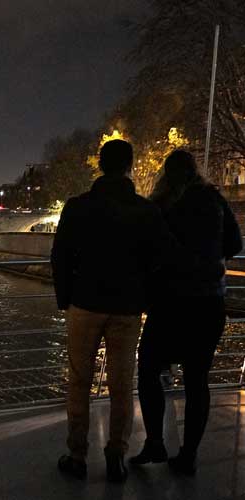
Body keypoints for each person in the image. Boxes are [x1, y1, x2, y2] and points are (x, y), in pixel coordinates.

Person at [52, 139, 178, 482]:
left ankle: (77, 454)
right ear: (130, 167)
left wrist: (65, 297)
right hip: (126, 307)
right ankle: (116, 456)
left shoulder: (77, 207)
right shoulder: (145, 211)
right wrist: (145, 297)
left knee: (78, 381)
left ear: (100, 166)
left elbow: (60, 256)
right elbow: (163, 259)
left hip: (85, 303)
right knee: (122, 384)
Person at [130, 150, 242, 475]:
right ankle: (188, 454)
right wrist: (208, 254)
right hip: (208, 303)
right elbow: (234, 245)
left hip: (169, 303)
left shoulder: (160, 204)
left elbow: (146, 249)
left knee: (149, 368)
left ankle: (155, 442)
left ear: (167, 173)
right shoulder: (214, 200)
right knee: (197, 381)